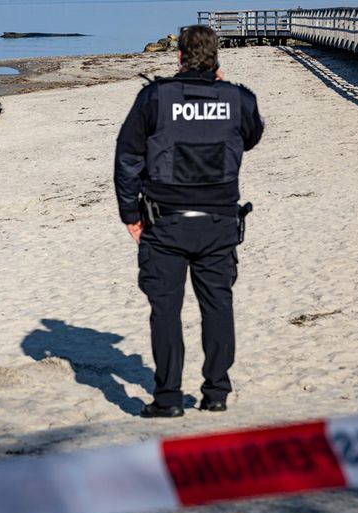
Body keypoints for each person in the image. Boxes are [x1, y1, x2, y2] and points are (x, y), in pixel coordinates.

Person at [113, 25, 264, 418]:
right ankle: (215, 393)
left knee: (166, 311)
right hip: (217, 224)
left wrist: (129, 214)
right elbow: (251, 136)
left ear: (179, 57)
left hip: (166, 226)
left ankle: (168, 399)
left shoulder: (154, 98)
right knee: (217, 306)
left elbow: (127, 158)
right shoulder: (239, 98)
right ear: (217, 59)